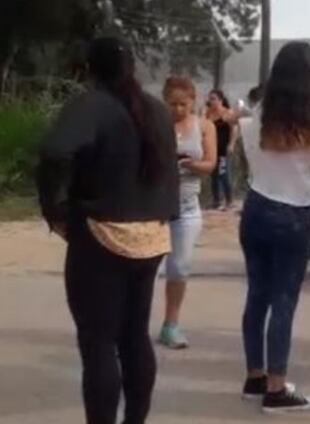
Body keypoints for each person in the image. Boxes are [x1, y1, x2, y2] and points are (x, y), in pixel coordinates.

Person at [37, 37, 179, 424]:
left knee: (98, 343)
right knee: (134, 337)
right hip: (151, 235)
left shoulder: (91, 105)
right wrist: (163, 213)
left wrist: (56, 212)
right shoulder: (157, 111)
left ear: (90, 69)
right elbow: (169, 169)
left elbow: (53, 152)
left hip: (101, 234)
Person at [237, 41, 310, 412]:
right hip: (294, 215)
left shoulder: (254, 118)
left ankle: (255, 376)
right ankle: (277, 389)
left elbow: (249, 164)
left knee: (256, 295)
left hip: (255, 207)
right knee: (284, 300)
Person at [158, 77, 217, 350]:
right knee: (147, 269)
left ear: (193, 101)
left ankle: (171, 323)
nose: (178, 109)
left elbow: (210, 164)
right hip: (156, 205)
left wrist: (191, 164)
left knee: (179, 267)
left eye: (183, 104)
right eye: (173, 104)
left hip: (187, 205)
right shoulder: (156, 125)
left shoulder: (204, 126)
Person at [205, 89, 237, 212]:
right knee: (214, 174)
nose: (211, 101)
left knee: (224, 174)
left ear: (220, 100)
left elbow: (234, 129)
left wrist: (231, 144)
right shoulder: (208, 113)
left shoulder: (227, 113)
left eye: (213, 99)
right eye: (210, 99)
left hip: (224, 147)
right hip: (213, 148)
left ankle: (229, 200)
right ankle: (216, 200)